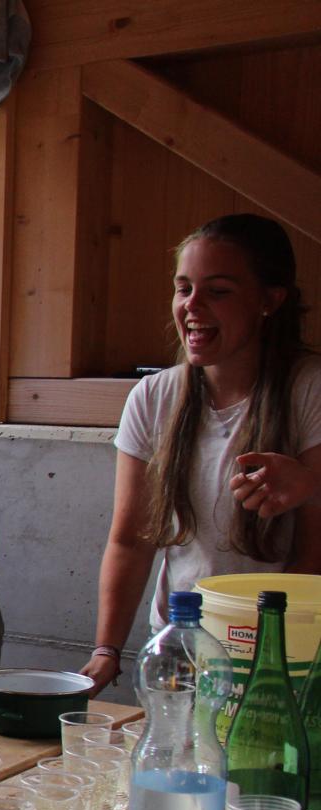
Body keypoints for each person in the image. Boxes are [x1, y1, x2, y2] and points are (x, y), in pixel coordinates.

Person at [80, 213, 321, 689]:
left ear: (270, 300)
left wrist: (263, 655)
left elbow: (313, 554)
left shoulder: (309, 388)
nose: (192, 305)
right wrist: (106, 649)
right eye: (183, 288)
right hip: (182, 647)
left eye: (218, 291)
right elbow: (131, 540)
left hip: (285, 655)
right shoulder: (152, 397)